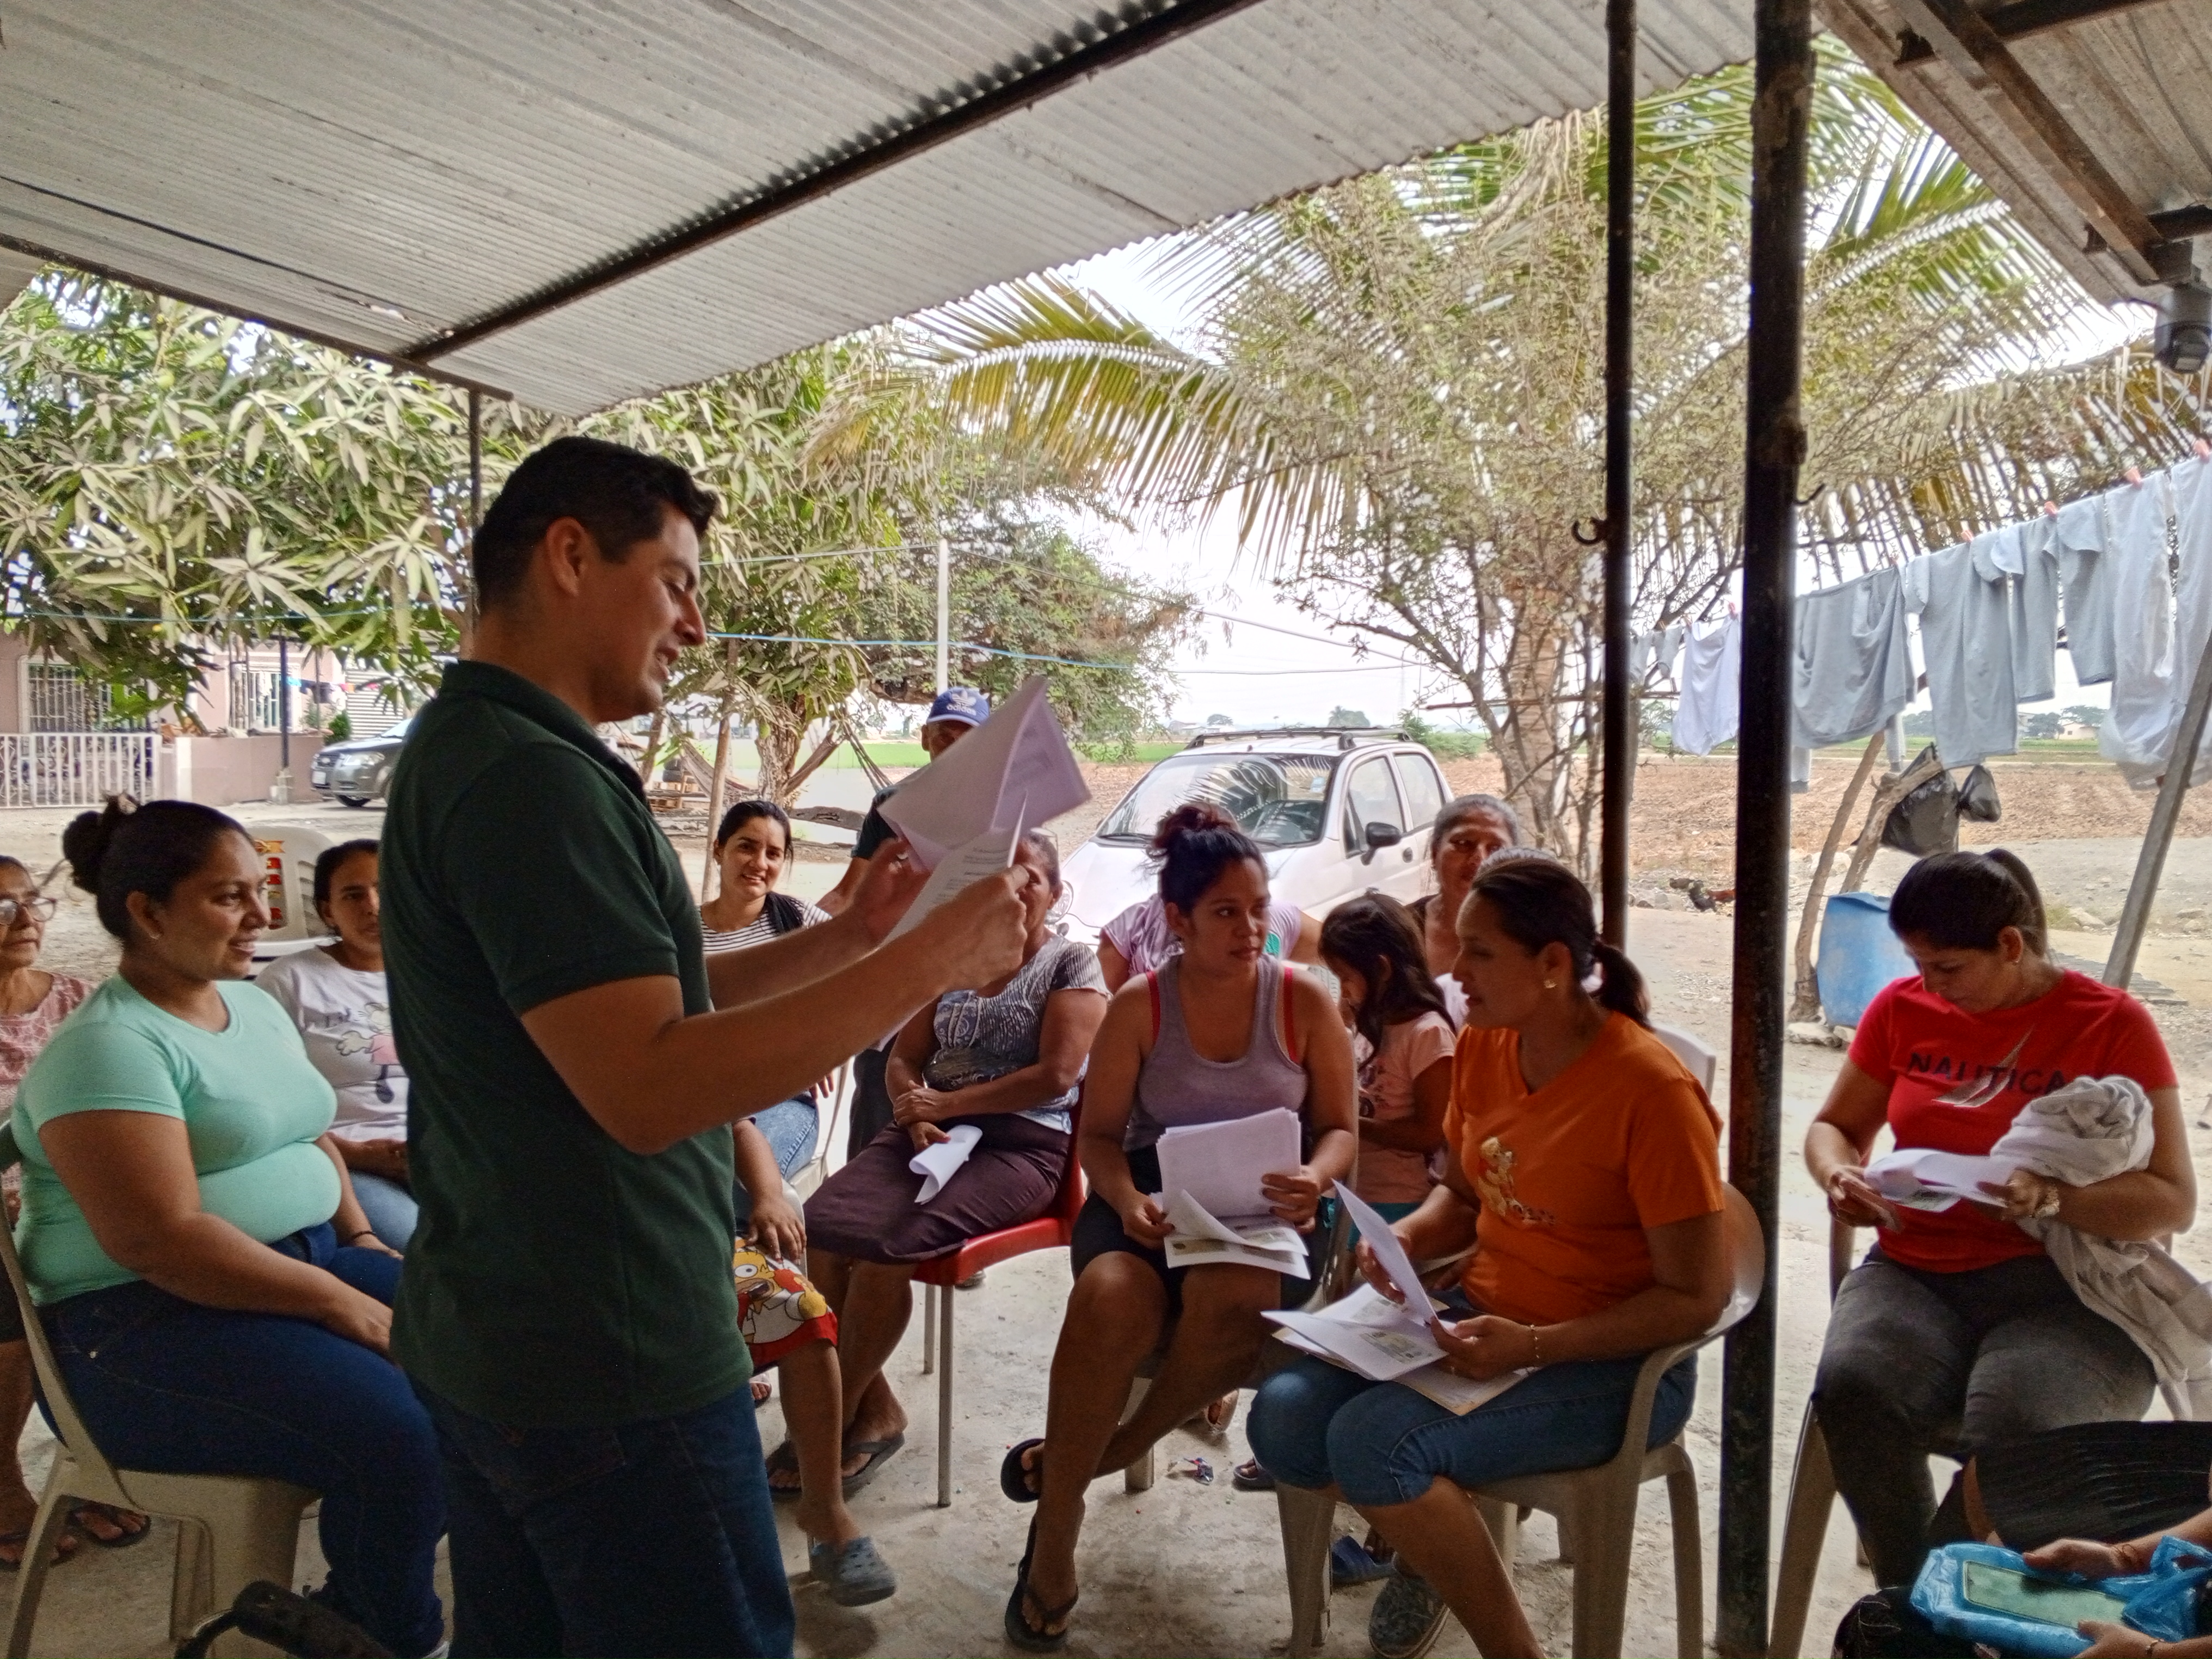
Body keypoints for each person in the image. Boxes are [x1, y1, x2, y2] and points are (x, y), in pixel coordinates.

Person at [379, 435, 1030, 1659]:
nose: (693, 622)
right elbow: (648, 1084)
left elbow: (649, 1002)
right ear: (569, 555)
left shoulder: (476, 746)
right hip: (607, 1349)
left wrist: (858, 934)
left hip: (504, 1333)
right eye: (675, 582)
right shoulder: (534, 780)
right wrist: (930, 962)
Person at [1246, 855, 1731, 1659]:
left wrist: (1535, 1344)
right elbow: (1465, 1197)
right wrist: (1409, 1239)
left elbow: (1696, 1298)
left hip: (1611, 1364)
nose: (1455, 970)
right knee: (1284, 1415)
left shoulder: (1651, 1093)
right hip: (1481, 1322)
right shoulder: (1484, 1045)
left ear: (1553, 965)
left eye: (1480, 952)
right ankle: (1434, 1536)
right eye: (1458, 945)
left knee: (1375, 1444)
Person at [17, 798, 445, 1658]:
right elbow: (161, 1241)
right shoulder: (109, 1048)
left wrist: (360, 1241)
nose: (261, 917)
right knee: (399, 1432)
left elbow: (308, 1130)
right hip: (140, 1325)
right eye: (228, 897)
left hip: (297, 1264)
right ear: (147, 911)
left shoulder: (249, 1008)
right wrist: (340, 1303)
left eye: (260, 891)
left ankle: (359, 1603)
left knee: (486, 1352)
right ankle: (383, 1635)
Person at [999, 803, 1357, 1651]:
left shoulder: (1303, 1002)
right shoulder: (1140, 1006)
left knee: (1234, 1295)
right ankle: (1057, 1538)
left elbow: (1342, 1131)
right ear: (1178, 920)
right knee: (1110, 1297)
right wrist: (1127, 1202)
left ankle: (1080, 1472)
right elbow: (1098, 1138)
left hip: (1270, 1208)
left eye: (1258, 909)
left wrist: (1315, 1177)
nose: (1250, 929)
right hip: (1153, 1202)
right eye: (1226, 912)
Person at [1804, 849, 2190, 1590]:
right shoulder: (1903, 1010)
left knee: (2019, 1429)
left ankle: (1935, 1603)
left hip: (2070, 1290)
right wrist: (1838, 1173)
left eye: (1947, 967)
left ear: (2010, 945)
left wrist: (2054, 1197)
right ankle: (1907, 1595)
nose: (1929, 985)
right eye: (1916, 965)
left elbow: (2170, 1199)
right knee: (1855, 1388)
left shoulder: (2110, 1024)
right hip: (1917, 1269)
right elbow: (1835, 1127)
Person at [802, 830, 1108, 1495]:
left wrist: (948, 1103)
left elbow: (1055, 1076)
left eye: (1029, 878)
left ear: (1055, 892)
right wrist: (914, 1109)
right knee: (818, 1229)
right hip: (927, 1133)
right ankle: (872, 1410)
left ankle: (824, 1426)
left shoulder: (1070, 963)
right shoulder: (956, 958)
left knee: (886, 1250)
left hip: (1021, 1146)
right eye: (1001, 877)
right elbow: (904, 1058)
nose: (1014, 891)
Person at [1232, 892, 1456, 1503]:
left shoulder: (1428, 1035)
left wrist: (1352, 1129)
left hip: (1400, 1209)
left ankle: (1340, 1449)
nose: (1341, 989)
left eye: (1345, 976)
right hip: (1352, 1203)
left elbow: (1429, 1133)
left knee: (1367, 1330)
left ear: (1380, 969)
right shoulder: (1364, 1028)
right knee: (1322, 1318)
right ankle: (1295, 1439)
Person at [0, 857, 145, 1569]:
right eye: (2, 909)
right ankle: (2, 1482)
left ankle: (97, 1456)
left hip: (74, 1198)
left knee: (144, 1271)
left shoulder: (80, 1004)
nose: (26, 921)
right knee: (10, 1308)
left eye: (33, 902)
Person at [726, 1120, 895, 1607]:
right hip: (606, 1266)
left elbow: (740, 1125)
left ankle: (825, 1510)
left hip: (706, 1243)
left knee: (801, 1310)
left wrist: (767, 1196)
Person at [818, 686, 992, 1157]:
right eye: (945, 736)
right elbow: (850, 892)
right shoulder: (891, 806)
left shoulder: (1001, 815)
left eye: (968, 740)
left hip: (967, 980)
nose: (954, 749)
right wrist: (801, 930)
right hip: (896, 975)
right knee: (878, 1101)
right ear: (925, 738)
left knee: (959, 1113)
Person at [256, 839, 414, 1248]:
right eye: (353, 895)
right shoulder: (291, 981)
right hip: (346, 1161)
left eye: (384, 889)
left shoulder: (439, 975)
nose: (373, 906)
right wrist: (357, 1154)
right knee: (418, 1247)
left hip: (443, 1154)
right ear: (328, 911)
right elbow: (267, 1100)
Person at [698, 798, 831, 1212]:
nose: (759, 863)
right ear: (718, 849)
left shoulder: (800, 921)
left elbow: (865, 982)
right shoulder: (681, 930)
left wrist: (823, 1046)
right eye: (746, 847)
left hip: (781, 1100)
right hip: (699, 1100)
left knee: (731, 1190)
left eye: (773, 854)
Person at [1406, 793, 1520, 1017]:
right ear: (1435, 853)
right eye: (1463, 844)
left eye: (1496, 849)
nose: (1479, 858)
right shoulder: (1397, 929)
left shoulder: (1531, 935)